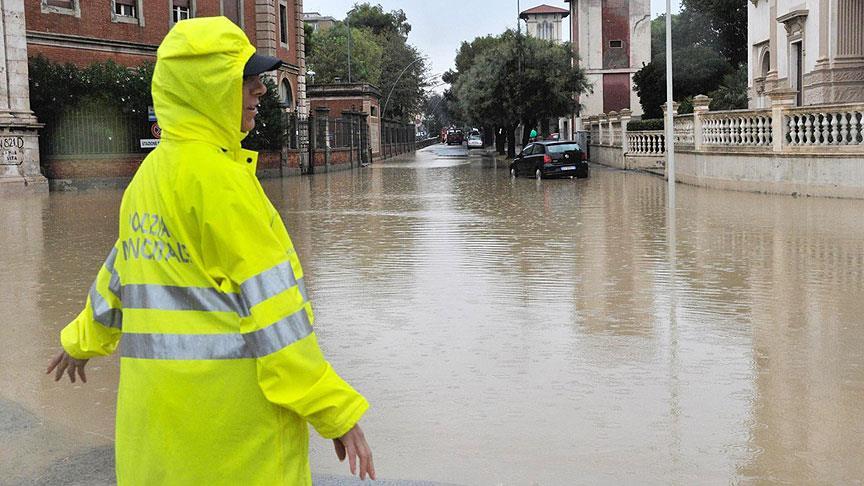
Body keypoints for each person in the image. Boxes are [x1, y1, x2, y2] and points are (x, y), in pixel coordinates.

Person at [45, 17, 375, 484]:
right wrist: (334, 411)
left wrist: (80, 342)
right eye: (246, 80)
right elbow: (276, 319)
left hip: (156, 440)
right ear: (206, 89)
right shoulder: (223, 185)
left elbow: (121, 276)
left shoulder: (148, 176)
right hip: (231, 445)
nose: (260, 90)